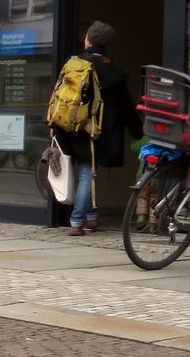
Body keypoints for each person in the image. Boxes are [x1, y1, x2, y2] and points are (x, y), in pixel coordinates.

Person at [55, 21, 134, 236]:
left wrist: (54, 125)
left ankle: (88, 217)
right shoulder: (111, 70)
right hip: (99, 130)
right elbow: (126, 105)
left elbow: (60, 97)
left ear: (88, 39)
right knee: (87, 174)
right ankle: (78, 220)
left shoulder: (76, 65)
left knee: (85, 171)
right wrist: (138, 131)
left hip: (75, 127)